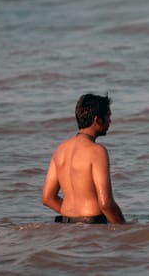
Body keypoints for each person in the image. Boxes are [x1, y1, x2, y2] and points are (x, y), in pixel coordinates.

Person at [42, 93, 125, 224]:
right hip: (92, 227)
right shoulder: (97, 151)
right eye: (108, 116)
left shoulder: (60, 150)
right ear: (97, 120)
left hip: (66, 227)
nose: (110, 121)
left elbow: (47, 198)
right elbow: (106, 204)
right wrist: (124, 229)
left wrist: (74, 214)